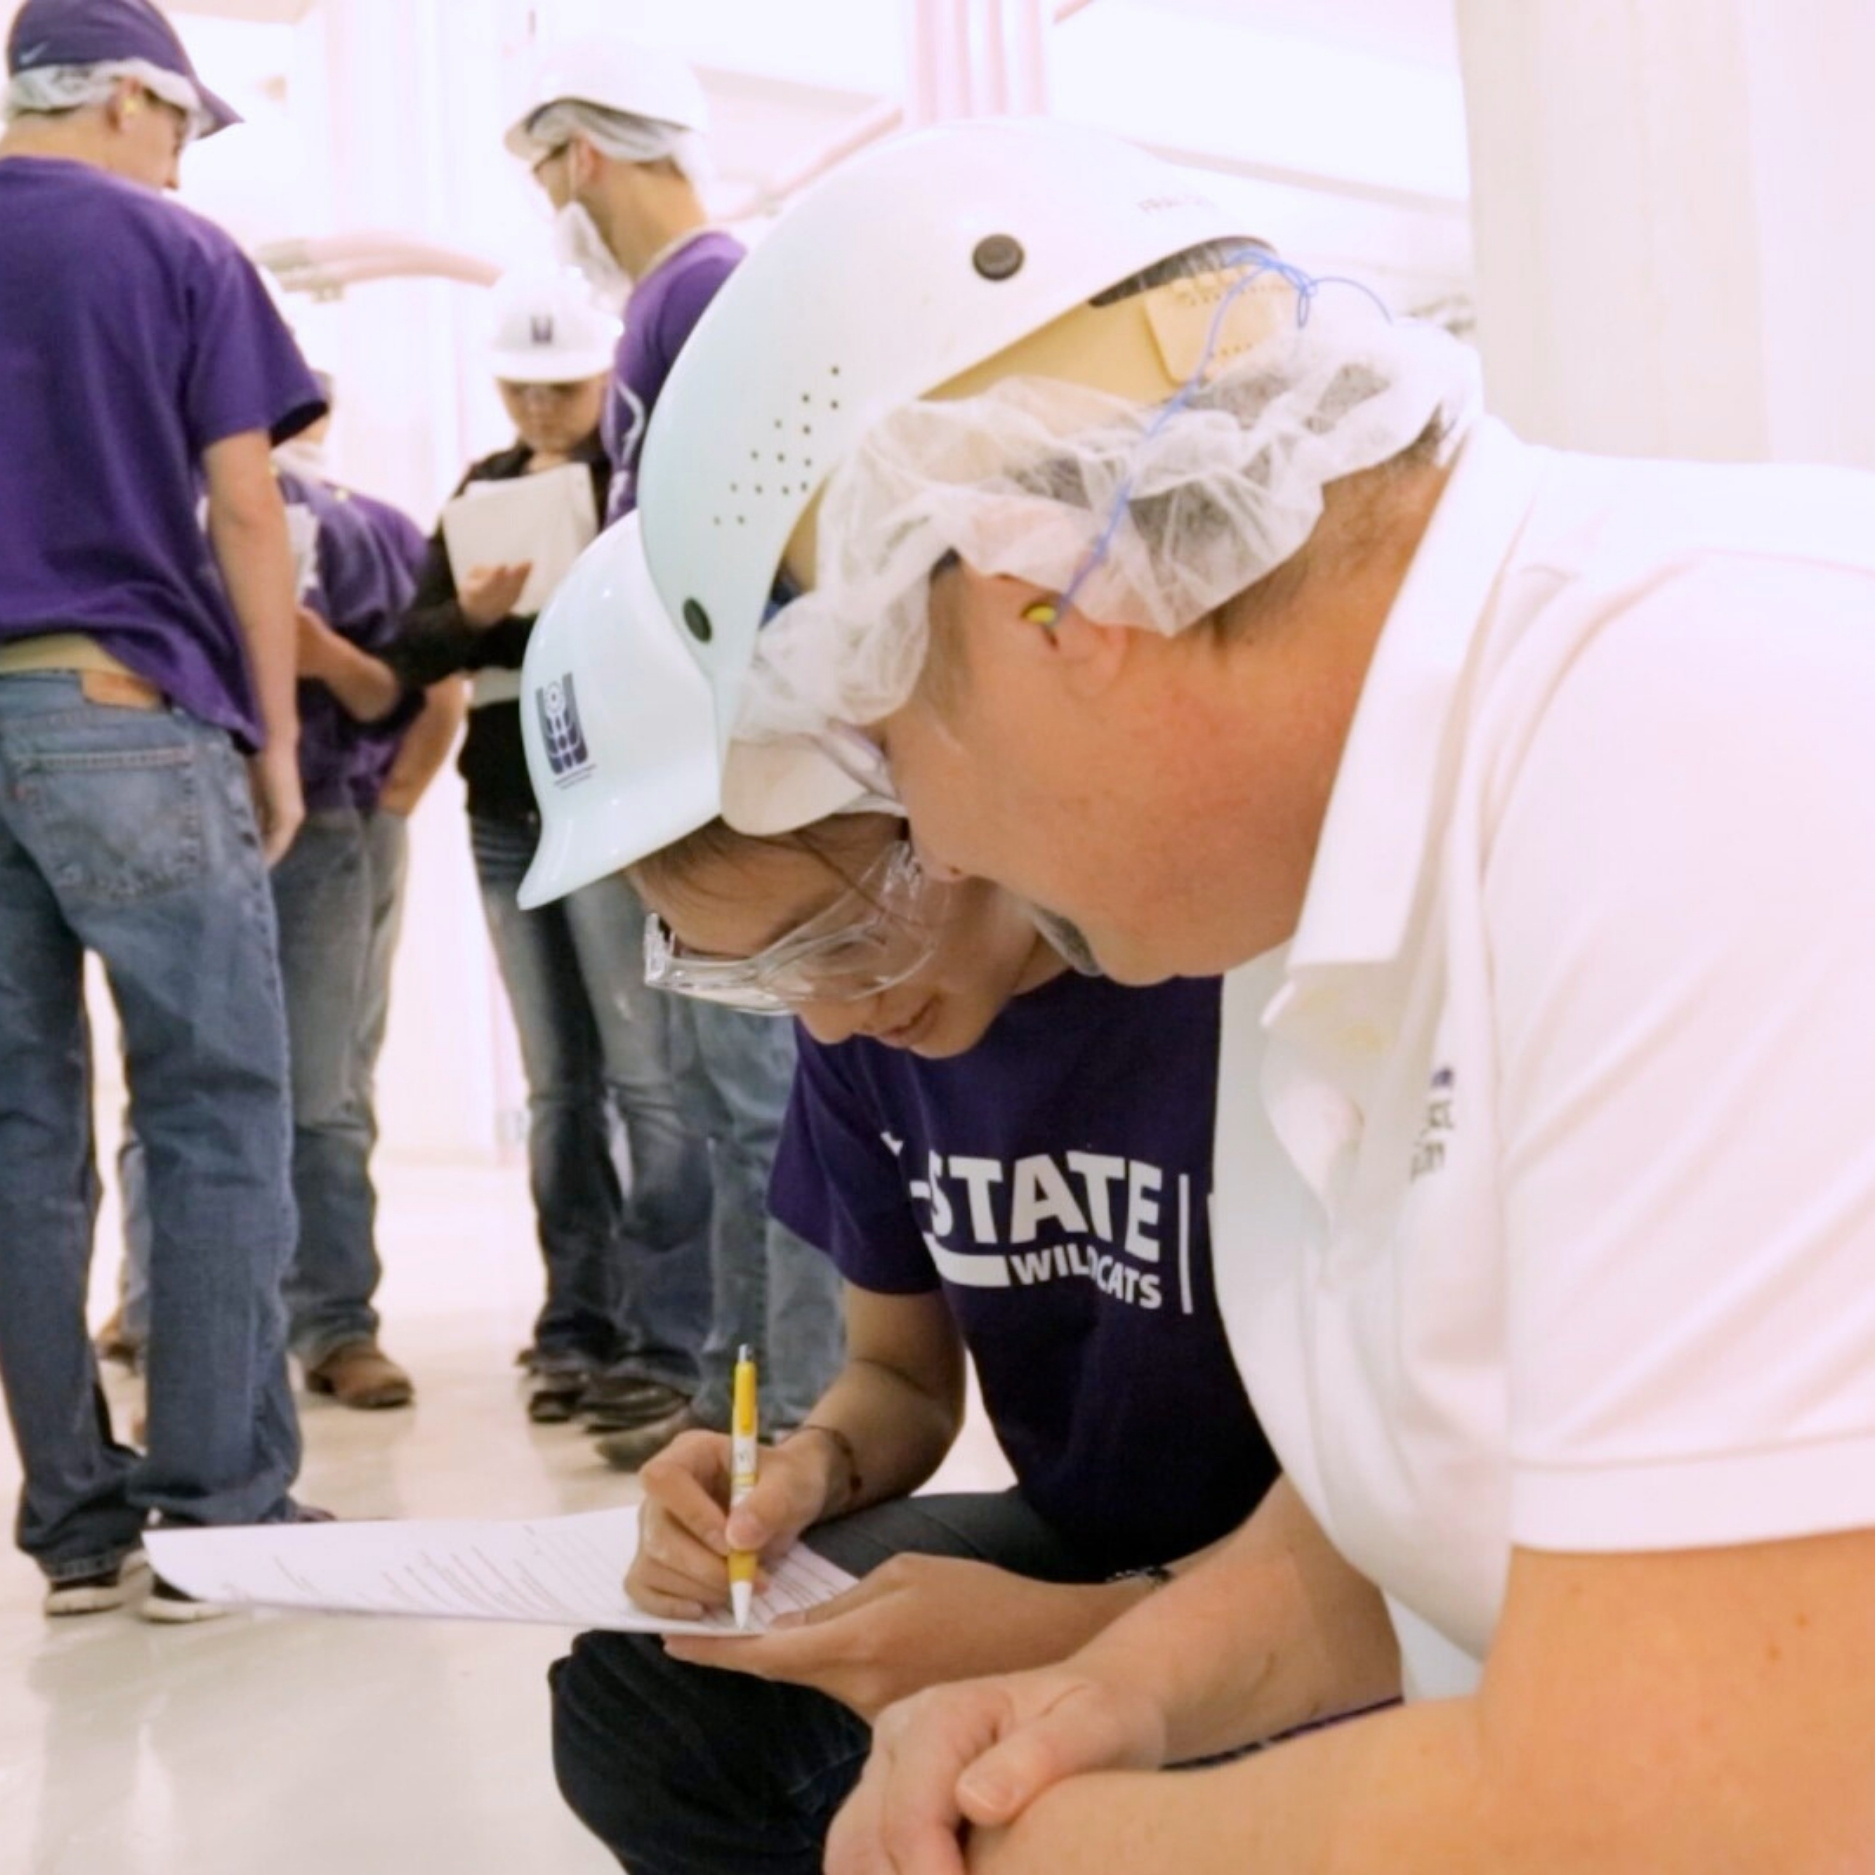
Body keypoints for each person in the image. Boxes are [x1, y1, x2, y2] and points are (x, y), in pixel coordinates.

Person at [635, 119, 1875, 1869]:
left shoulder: (1705, 745)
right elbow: (1417, 1499)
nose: (946, 845)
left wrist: (1026, 1848)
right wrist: (1102, 1698)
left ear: (1047, 602)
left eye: (898, 755)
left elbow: (1688, 1809)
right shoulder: (1325, 865)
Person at [505, 516, 1281, 1874]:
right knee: (646, 1706)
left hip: (1310, 1582)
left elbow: (1410, 1535)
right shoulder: (869, 1031)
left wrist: (1078, 1636)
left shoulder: (1215, 966)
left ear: (941, 785)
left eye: (844, 939)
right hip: (1087, 1536)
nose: (830, 1011)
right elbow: (900, 1379)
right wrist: (797, 1474)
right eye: (763, 977)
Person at [0, 0, 325, 1619]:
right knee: (210, 1107)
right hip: (124, 706)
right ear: (130, 95)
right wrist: (275, 738)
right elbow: (248, 510)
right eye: (184, 122)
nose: (185, 158)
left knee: (18, 1131)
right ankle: (216, 1514)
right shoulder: (176, 250)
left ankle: (74, 1528)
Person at [509, 42, 842, 1462]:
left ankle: (798, 1410)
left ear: (581, 152)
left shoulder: (705, 289)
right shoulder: (663, 304)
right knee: (715, 1100)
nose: (551, 204)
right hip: (691, 756)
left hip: (742, 754)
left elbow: (770, 534)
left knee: (764, 1105)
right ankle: (732, 1386)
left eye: (544, 173)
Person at [384, 267, 714, 1426]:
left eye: (559, 387)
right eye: (519, 389)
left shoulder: (634, 478)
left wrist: (519, 625)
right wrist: (478, 618)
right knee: (558, 1087)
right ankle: (577, 1321)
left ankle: (668, 1334)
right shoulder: (482, 488)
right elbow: (411, 646)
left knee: (647, 1078)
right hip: (503, 817)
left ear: (603, 376)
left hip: (608, 813)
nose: (537, 408)